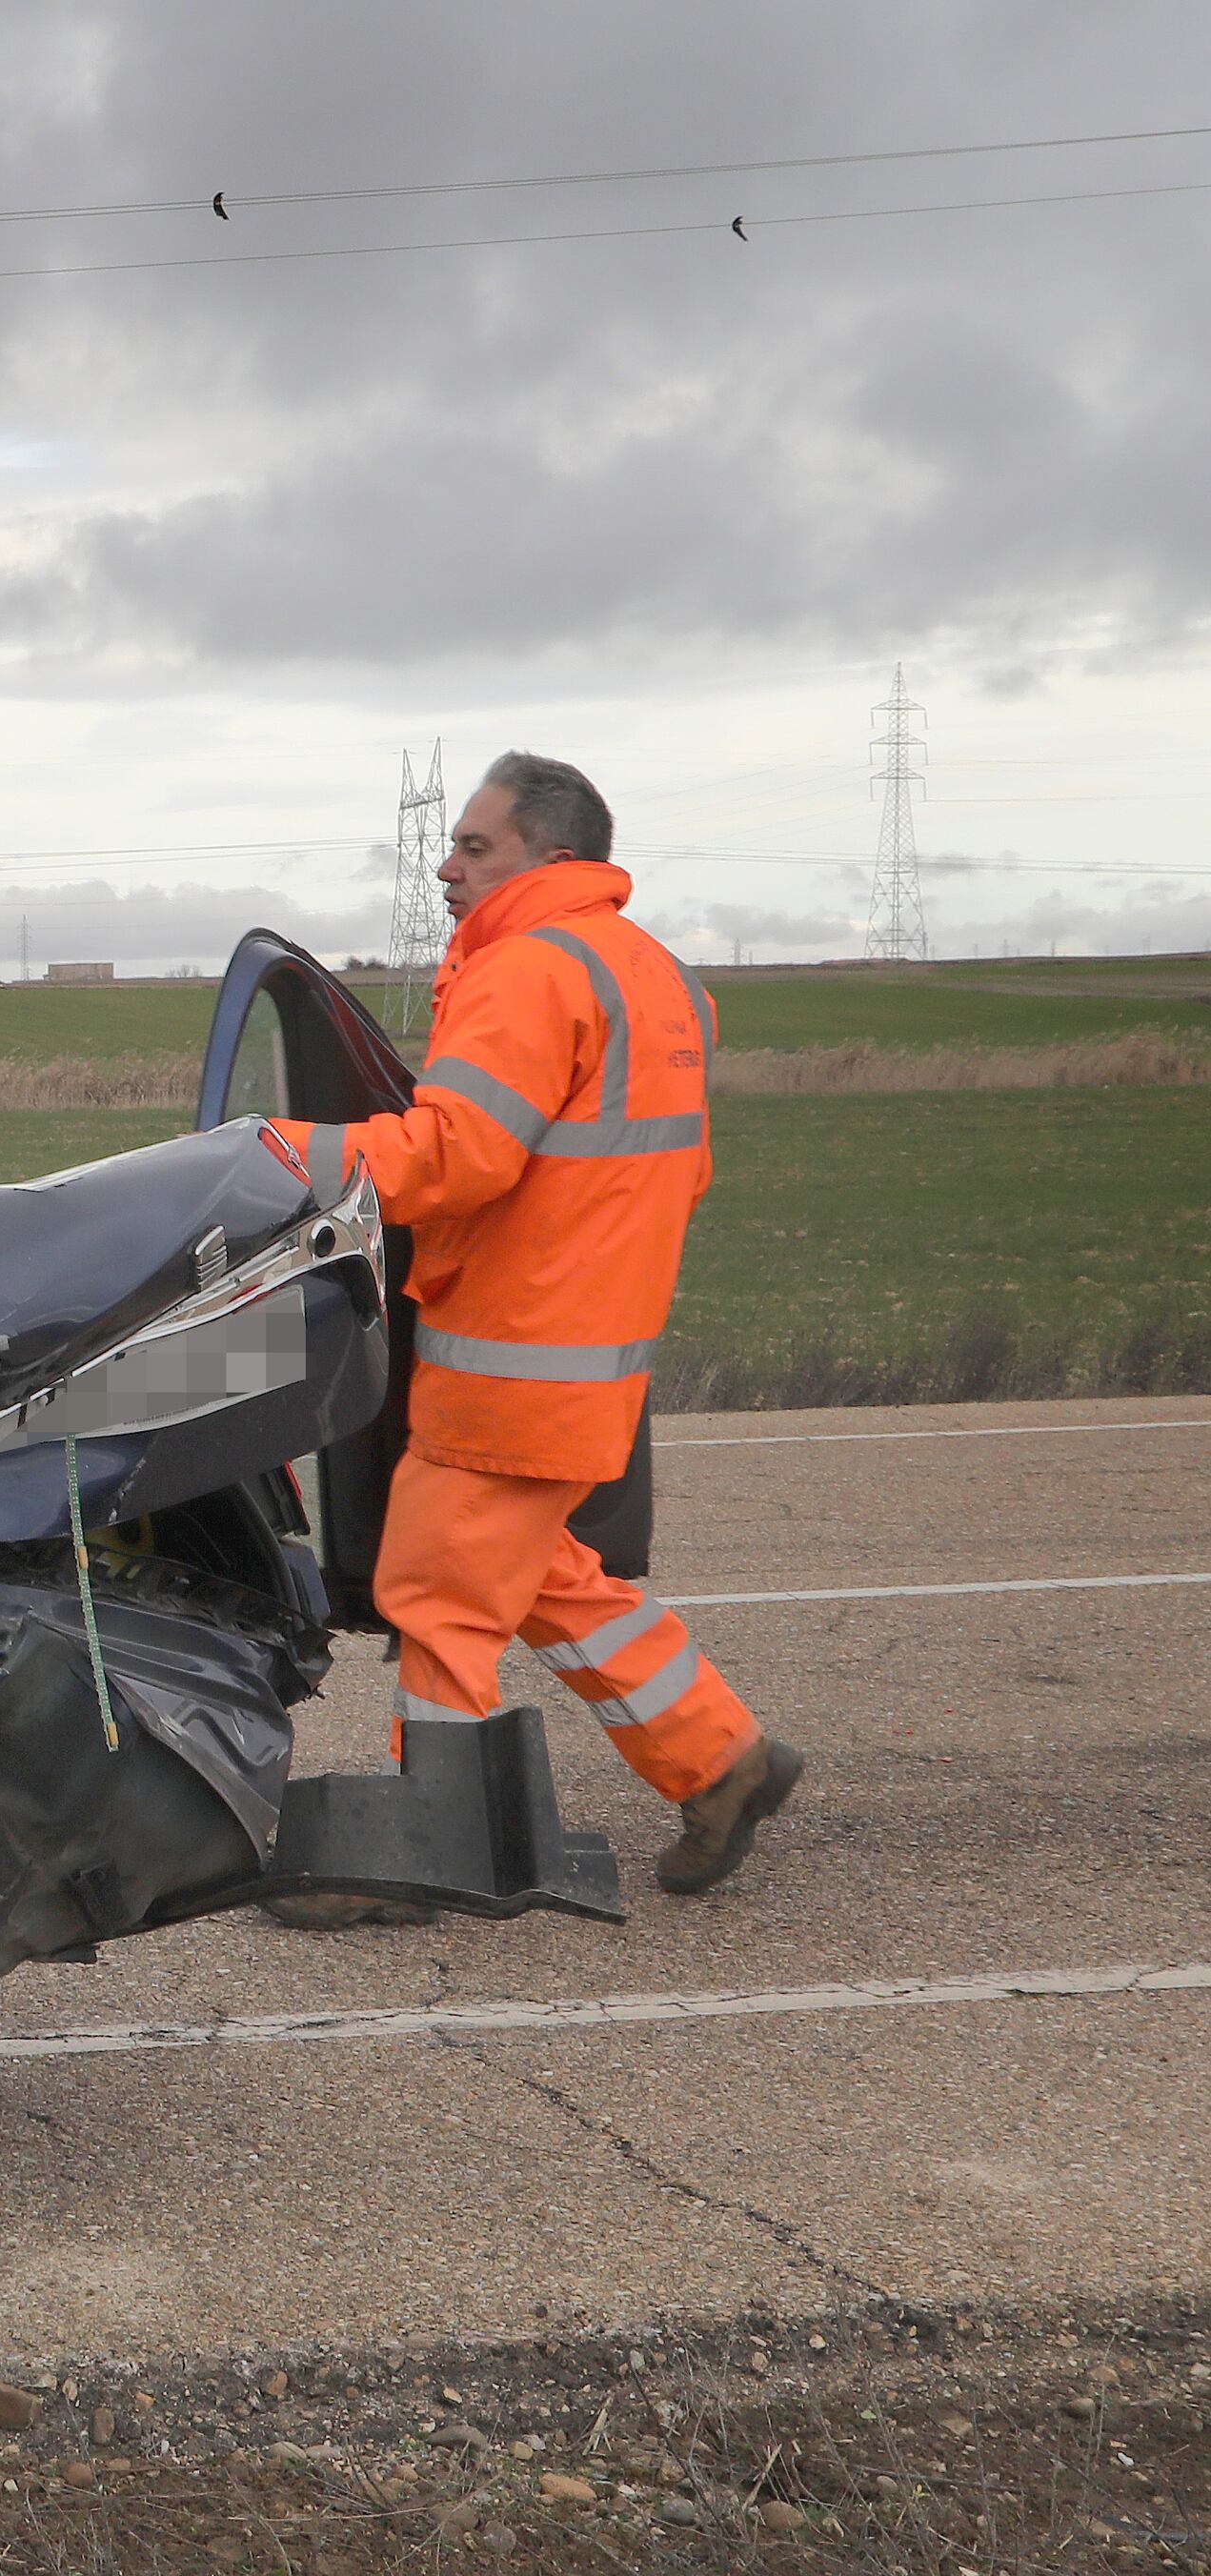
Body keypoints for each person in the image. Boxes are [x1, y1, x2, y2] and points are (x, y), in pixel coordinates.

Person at [263, 754, 804, 1899]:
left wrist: (276, 1154)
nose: (445, 865)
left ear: (549, 855)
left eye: (473, 846)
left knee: (436, 1591)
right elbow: (669, 1176)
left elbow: (456, 1155)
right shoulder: (657, 977)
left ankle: (429, 1852)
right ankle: (720, 1760)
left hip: (511, 1346)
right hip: (587, 1344)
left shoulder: (526, 972)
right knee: (539, 1570)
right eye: (450, 844)